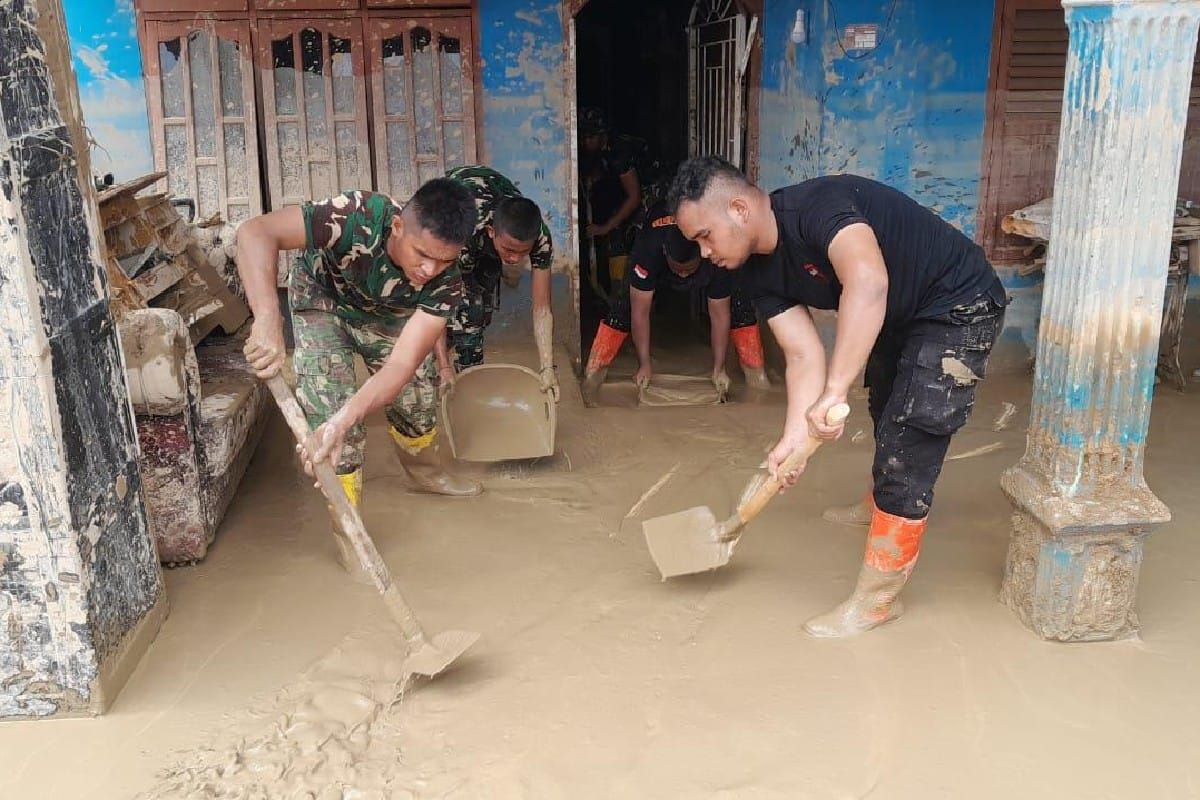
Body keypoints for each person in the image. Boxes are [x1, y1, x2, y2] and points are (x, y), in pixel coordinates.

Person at [668, 157, 1008, 638]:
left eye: (705, 235)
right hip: (899, 315)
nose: (703, 252)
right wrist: (792, 440)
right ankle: (878, 503)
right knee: (886, 406)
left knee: (909, 439)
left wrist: (834, 390)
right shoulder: (754, 271)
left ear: (739, 209)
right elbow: (802, 352)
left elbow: (868, 282)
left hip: (958, 303)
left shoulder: (818, 208)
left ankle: (877, 601)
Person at [238, 180, 480, 580]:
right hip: (323, 302)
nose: (429, 269)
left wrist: (347, 416)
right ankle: (347, 530)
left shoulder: (447, 282)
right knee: (334, 433)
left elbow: (400, 367)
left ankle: (426, 475)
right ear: (399, 227)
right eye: (422, 255)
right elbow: (255, 232)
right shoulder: (355, 214)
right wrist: (266, 314)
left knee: (417, 403)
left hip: (389, 316)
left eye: (443, 260)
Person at [581, 201, 769, 404]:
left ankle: (757, 378)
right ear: (665, 253)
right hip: (656, 258)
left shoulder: (716, 252)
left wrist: (719, 368)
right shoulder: (649, 248)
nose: (683, 274)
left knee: (740, 306)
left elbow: (719, 315)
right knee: (623, 309)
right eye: (678, 268)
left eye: (688, 269)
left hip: (708, 264)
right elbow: (640, 313)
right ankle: (593, 376)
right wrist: (644, 364)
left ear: (703, 253)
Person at [437, 165, 559, 400]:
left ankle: (461, 367)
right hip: (455, 211)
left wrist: (547, 368)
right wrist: (443, 365)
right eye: (510, 250)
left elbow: (542, 309)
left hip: (489, 238)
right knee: (467, 313)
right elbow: (438, 302)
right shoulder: (461, 232)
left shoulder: (540, 238)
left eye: (523, 252)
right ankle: (465, 385)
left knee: (482, 312)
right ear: (492, 232)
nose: (514, 259)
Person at [579, 107, 643, 297]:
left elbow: (634, 196)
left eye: (590, 137)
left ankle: (623, 300)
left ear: (602, 135)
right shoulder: (599, 151)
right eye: (583, 138)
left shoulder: (619, 151)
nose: (585, 142)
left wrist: (605, 228)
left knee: (621, 243)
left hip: (648, 201)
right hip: (623, 198)